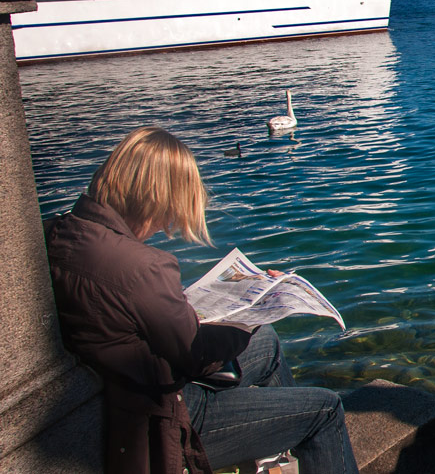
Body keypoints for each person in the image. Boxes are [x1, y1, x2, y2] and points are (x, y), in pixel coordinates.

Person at [45, 126, 358, 474]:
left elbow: (134, 316)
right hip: (167, 412)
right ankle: (296, 439)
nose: (167, 224)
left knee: (266, 344)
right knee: (326, 410)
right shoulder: (140, 266)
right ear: (155, 196)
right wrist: (251, 315)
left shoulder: (58, 232)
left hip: (121, 391)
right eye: (169, 209)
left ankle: (277, 453)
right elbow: (199, 357)